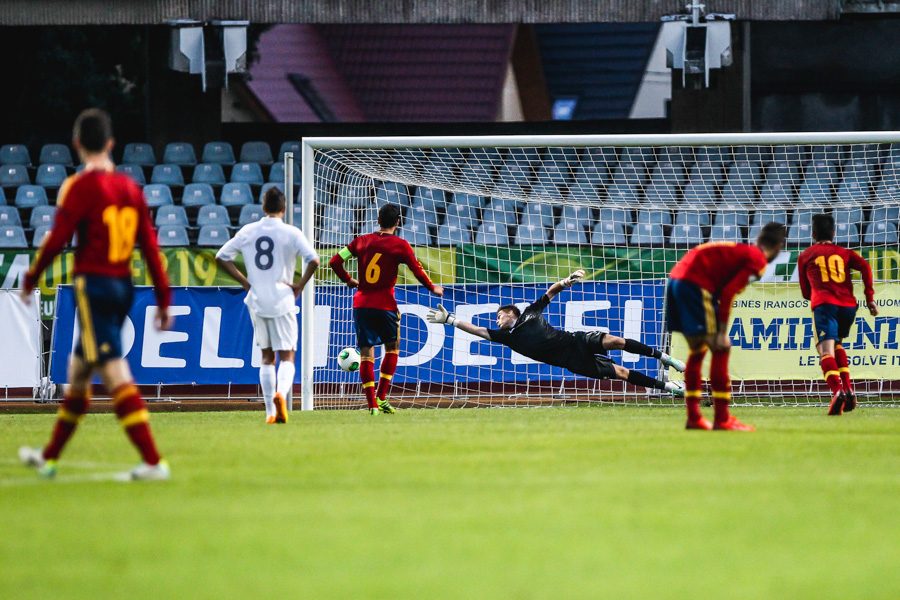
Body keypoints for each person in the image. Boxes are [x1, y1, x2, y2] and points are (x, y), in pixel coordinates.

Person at [18, 108, 172, 480]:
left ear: (76, 144)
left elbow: (58, 237)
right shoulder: (130, 188)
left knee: (114, 371)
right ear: (110, 143)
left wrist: (32, 276)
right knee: (79, 372)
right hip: (122, 286)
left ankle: (153, 462)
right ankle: (50, 458)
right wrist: (164, 299)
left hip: (94, 284)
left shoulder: (80, 187)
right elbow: (151, 248)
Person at [425, 269, 686, 397]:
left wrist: (566, 281)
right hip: (572, 361)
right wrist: (451, 320)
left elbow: (550, 293)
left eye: (499, 315)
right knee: (621, 373)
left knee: (615, 340)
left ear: (511, 312)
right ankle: (668, 387)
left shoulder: (530, 311)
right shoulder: (507, 337)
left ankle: (665, 358)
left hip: (576, 340)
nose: (497, 320)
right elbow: (478, 330)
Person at [666, 222, 787, 431]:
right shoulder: (757, 260)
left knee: (698, 351)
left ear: (758, 240)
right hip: (695, 284)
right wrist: (722, 331)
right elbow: (729, 293)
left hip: (676, 280)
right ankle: (722, 418)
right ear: (778, 247)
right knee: (721, 347)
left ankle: (694, 417)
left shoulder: (740, 252)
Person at [216, 187, 320, 424]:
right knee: (287, 356)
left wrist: (245, 282)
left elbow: (221, 256)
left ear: (263, 207)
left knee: (266, 357)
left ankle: (270, 414)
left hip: (257, 299)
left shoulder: (248, 231)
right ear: (283, 209)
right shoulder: (291, 232)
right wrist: (299, 286)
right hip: (282, 298)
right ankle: (280, 395)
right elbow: (314, 259)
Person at [329, 203, 443, 415]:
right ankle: (381, 397)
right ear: (398, 222)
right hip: (385, 305)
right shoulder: (400, 245)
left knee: (366, 354)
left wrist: (349, 280)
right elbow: (417, 270)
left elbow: (334, 261)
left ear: (378, 220)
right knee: (392, 348)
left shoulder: (360, 241)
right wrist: (432, 287)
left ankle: (372, 405)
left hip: (362, 304)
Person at [797, 213, 876, 415]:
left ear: (813, 234)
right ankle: (848, 389)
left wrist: (817, 294)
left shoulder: (806, 255)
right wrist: (870, 298)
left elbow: (806, 292)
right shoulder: (845, 253)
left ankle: (837, 391)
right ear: (833, 233)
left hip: (825, 305)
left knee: (825, 351)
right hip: (848, 307)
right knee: (838, 344)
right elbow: (866, 266)